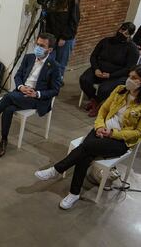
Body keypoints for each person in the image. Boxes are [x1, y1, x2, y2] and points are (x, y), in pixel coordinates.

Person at [35, 66, 141, 210]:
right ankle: (73, 193)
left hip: (120, 140)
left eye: (134, 78)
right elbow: (103, 110)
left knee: (86, 148)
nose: (130, 80)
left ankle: (57, 170)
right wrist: (99, 127)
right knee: (85, 154)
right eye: (130, 76)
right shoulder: (120, 90)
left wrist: (112, 133)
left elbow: (137, 133)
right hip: (102, 129)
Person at [0, 33, 62, 157]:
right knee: (8, 109)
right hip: (21, 92)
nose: (38, 47)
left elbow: (55, 90)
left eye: (42, 46)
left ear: (49, 50)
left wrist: (37, 93)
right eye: (37, 44)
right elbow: (18, 75)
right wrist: (21, 87)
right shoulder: (29, 57)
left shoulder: (54, 66)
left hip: (36, 99)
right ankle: (4, 140)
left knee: (7, 97)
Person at [79, 22, 138, 117]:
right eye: (122, 30)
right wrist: (96, 69)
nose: (122, 33)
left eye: (126, 33)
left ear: (130, 35)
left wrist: (110, 75)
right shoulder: (106, 41)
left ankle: (99, 106)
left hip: (117, 75)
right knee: (84, 79)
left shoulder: (132, 49)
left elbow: (129, 68)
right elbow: (93, 56)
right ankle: (94, 99)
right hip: (99, 70)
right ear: (119, 28)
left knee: (104, 89)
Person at [45, 0, 80, 80]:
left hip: (66, 38)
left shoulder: (71, 0)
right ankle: (48, 79)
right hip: (53, 36)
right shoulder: (52, 0)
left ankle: (57, 82)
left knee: (60, 63)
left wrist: (64, 37)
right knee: (49, 60)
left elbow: (74, 21)